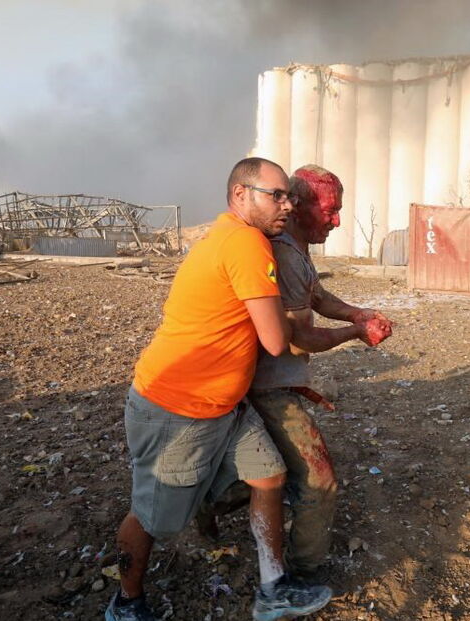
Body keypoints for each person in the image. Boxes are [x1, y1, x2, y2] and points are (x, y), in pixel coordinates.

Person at [106, 158, 332, 621]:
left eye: (290, 196)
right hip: (178, 408)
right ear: (240, 195)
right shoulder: (248, 244)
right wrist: (337, 329)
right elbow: (276, 339)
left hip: (223, 405)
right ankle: (126, 603)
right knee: (151, 517)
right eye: (277, 195)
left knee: (268, 475)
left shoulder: (235, 236)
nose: (287, 205)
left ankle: (273, 590)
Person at [197, 164, 393, 579]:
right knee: (319, 482)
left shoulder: (297, 246)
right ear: (300, 205)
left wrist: (356, 313)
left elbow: (316, 294)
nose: (337, 220)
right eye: (331, 210)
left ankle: (206, 501)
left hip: (274, 381)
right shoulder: (283, 253)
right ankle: (305, 572)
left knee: (269, 470)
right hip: (270, 387)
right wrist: (356, 331)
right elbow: (296, 339)